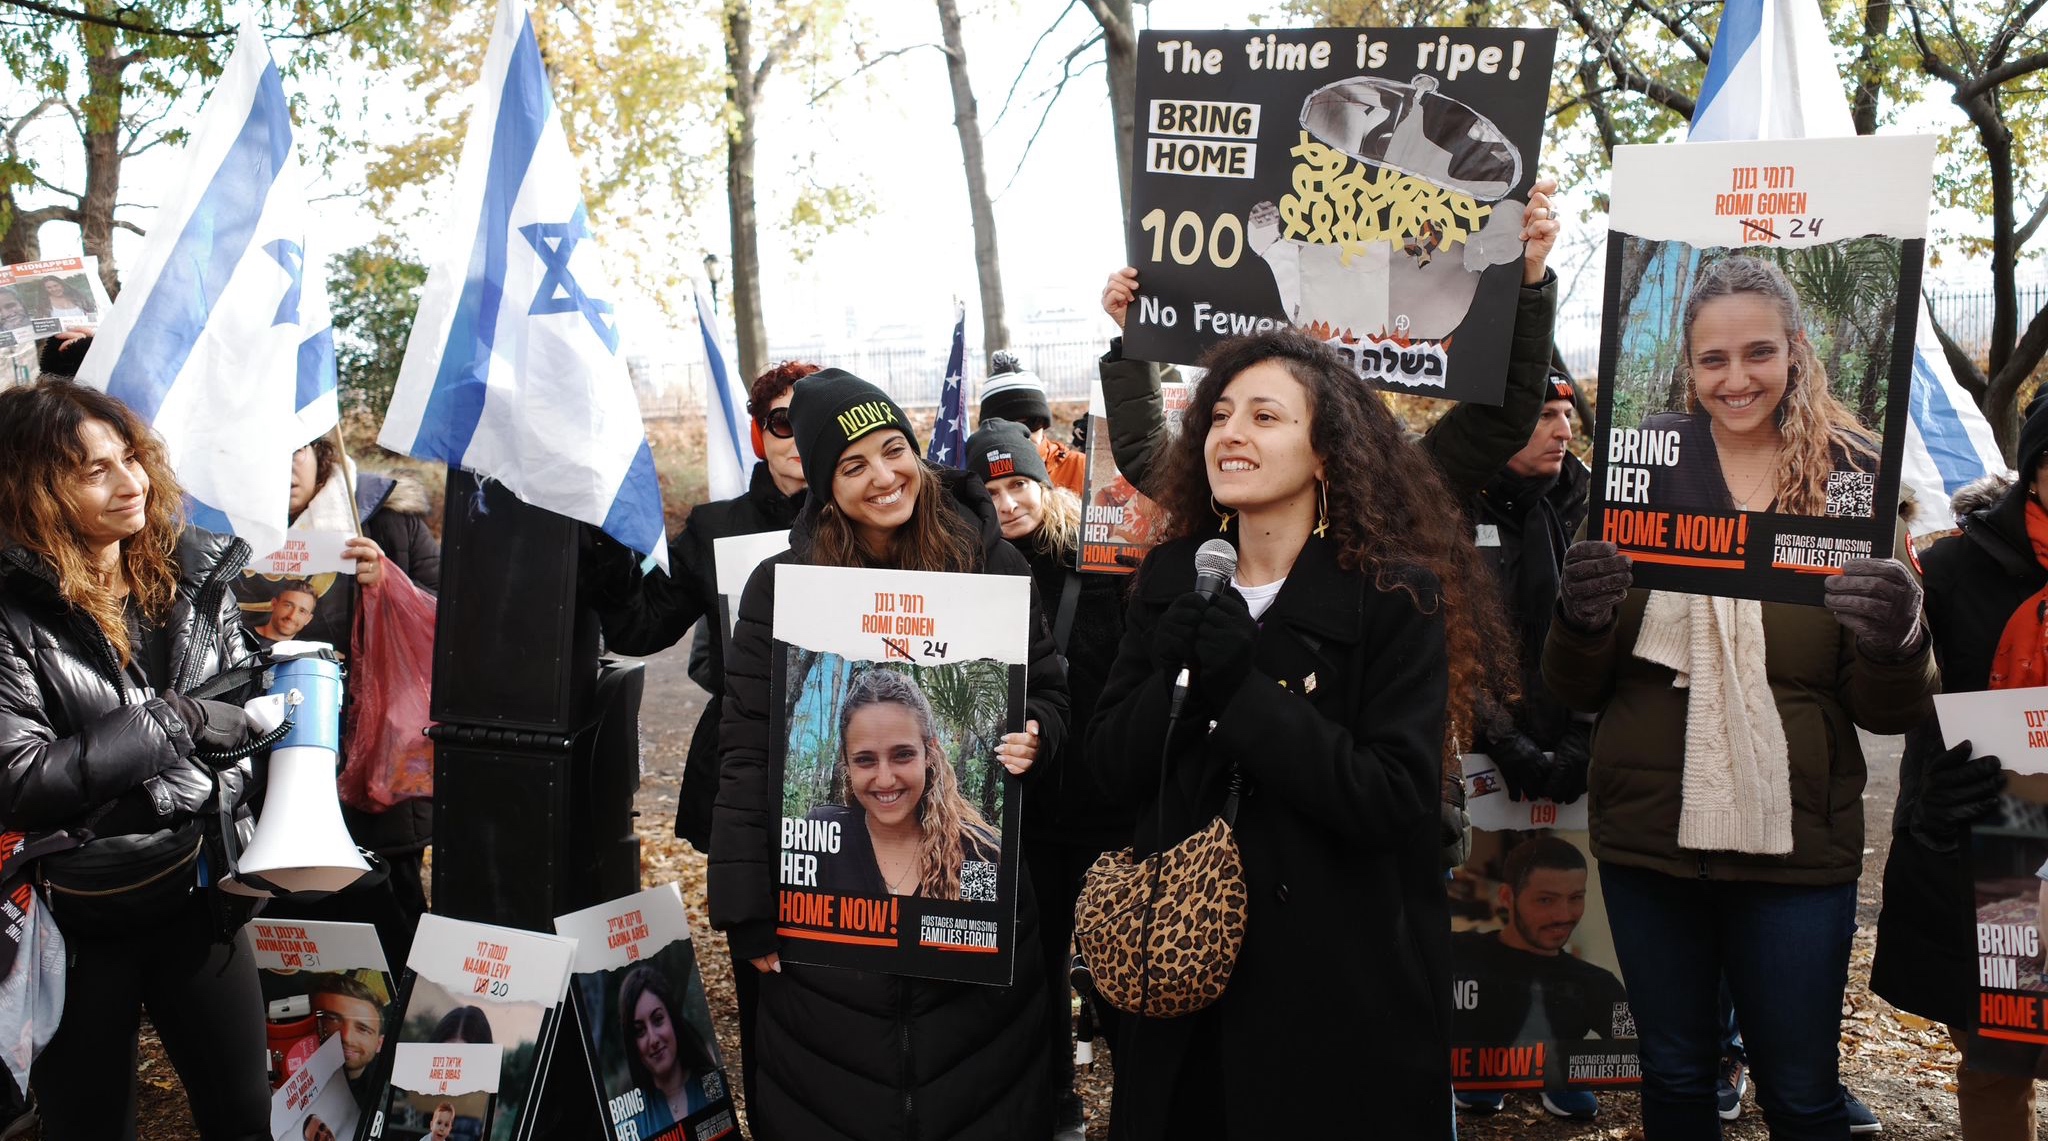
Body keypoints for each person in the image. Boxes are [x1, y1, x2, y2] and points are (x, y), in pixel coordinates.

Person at [1086, 327, 1507, 1139]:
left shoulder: (1393, 595)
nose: (1231, 432)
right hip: (1184, 988)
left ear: (1326, 453)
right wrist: (1168, 680)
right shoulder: (1176, 577)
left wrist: (1244, 690)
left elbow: (1395, 798)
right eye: (1219, 416)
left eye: (1266, 416)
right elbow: (1106, 772)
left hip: (1338, 995)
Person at [710, 367, 1069, 1140]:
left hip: (976, 944)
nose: (884, 476)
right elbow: (747, 751)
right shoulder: (782, 588)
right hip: (830, 965)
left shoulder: (988, 562)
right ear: (822, 481)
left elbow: (1050, 690)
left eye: (893, 448)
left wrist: (1035, 732)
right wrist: (748, 910)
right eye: (853, 464)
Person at [1545, 519, 1936, 1133]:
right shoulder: (1632, 501)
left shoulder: (1851, 508)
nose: (1737, 413)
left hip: (1796, 849)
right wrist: (1580, 620)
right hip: (1650, 843)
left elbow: (1890, 710)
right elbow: (1574, 687)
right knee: (1673, 1077)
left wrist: (1899, 643)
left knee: (1801, 1089)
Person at [0, 380, 270, 1139]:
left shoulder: (194, 572)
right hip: (77, 921)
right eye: (95, 471)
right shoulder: (11, 614)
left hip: (202, 898)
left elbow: (240, 713)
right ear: (36, 489)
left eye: (130, 457)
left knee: (245, 1117)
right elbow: (18, 777)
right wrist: (175, 721)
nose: (131, 483)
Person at [585, 359, 816, 1114]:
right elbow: (641, 623)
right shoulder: (718, 529)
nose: (797, 435)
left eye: (812, 418)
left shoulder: (874, 514)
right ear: (759, 431)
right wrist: (608, 538)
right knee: (764, 973)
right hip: (749, 780)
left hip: (848, 780)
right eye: (782, 420)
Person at [1871, 393, 2048, 1141]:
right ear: (2036, 467)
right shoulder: (1948, 569)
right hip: (2000, 855)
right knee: (1998, 1061)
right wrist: (1928, 799)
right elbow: (1900, 704)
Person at [965, 415, 1133, 1139]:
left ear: (1045, 480)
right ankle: (1055, 1105)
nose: (1009, 503)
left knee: (1119, 969)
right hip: (1019, 817)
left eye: (1020, 483)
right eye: (991, 489)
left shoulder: (1103, 560)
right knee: (1031, 976)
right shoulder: (967, 568)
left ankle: (1138, 1109)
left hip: (1099, 807)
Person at [250, 432, 441, 967]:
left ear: (322, 454)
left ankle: (403, 1034)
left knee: (389, 910)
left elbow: (449, 614)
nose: (284, 465)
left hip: (374, 762)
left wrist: (390, 584)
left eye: (297, 448)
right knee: (291, 918)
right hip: (267, 762)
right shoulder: (220, 529)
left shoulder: (384, 517)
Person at [1640, 255, 1879, 517]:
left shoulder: (1848, 464)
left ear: (1793, 349)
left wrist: (1884, 556)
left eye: (1760, 353)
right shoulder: (1660, 444)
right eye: (1713, 360)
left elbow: (1864, 545)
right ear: (1689, 360)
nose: (1737, 382)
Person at [1466, 369, 1593, 809]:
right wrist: (1499, 735)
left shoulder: (1588, 508)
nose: (1564, 432)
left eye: (1567, 414)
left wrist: (1584, 730)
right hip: (1470, 761)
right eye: (1544, 415)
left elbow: (1608, 632)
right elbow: (1439, 634)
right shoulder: (1449, 506)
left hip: (1569, 760)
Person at [1451, 837, 1630, 1118]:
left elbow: (1631, 1046)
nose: (1563, 915)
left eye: (1575, 898)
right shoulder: (1458, 954)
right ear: (1508, 898)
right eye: (1545, 900)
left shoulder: (1598, 985)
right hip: (1472, 1080)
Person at [805, 667, 1002, 898]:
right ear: (846, 763)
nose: (885, 780)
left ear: (929, 753)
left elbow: (984, 929)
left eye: (903, 755)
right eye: (865, 760)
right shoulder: (825, 832)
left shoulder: (977, 854)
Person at [616, 963, 722, 1135]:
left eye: (658, 1020)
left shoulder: (711, 1084)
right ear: (632, 1044)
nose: (653, 1039)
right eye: (640, 1031)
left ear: (672, 1019)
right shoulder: (632, 1122)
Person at [978, 351, 1085, 496]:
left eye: (1031, 422)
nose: (1023, 435)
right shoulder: (978, 478)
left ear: (1044, 422)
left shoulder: (1080, 468)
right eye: (1009, 427)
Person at [308, 972, 386, 1112]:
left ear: (379, 1044)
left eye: (363, 1029)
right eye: (331, 1019)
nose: (346, 1037)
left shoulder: (382, 1100)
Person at [255, 580, 318, 645]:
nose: (292, 616)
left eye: (302, 611)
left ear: (308, 619)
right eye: (288, 606)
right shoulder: (244, 638)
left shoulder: (307, 652)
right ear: (274, 604)